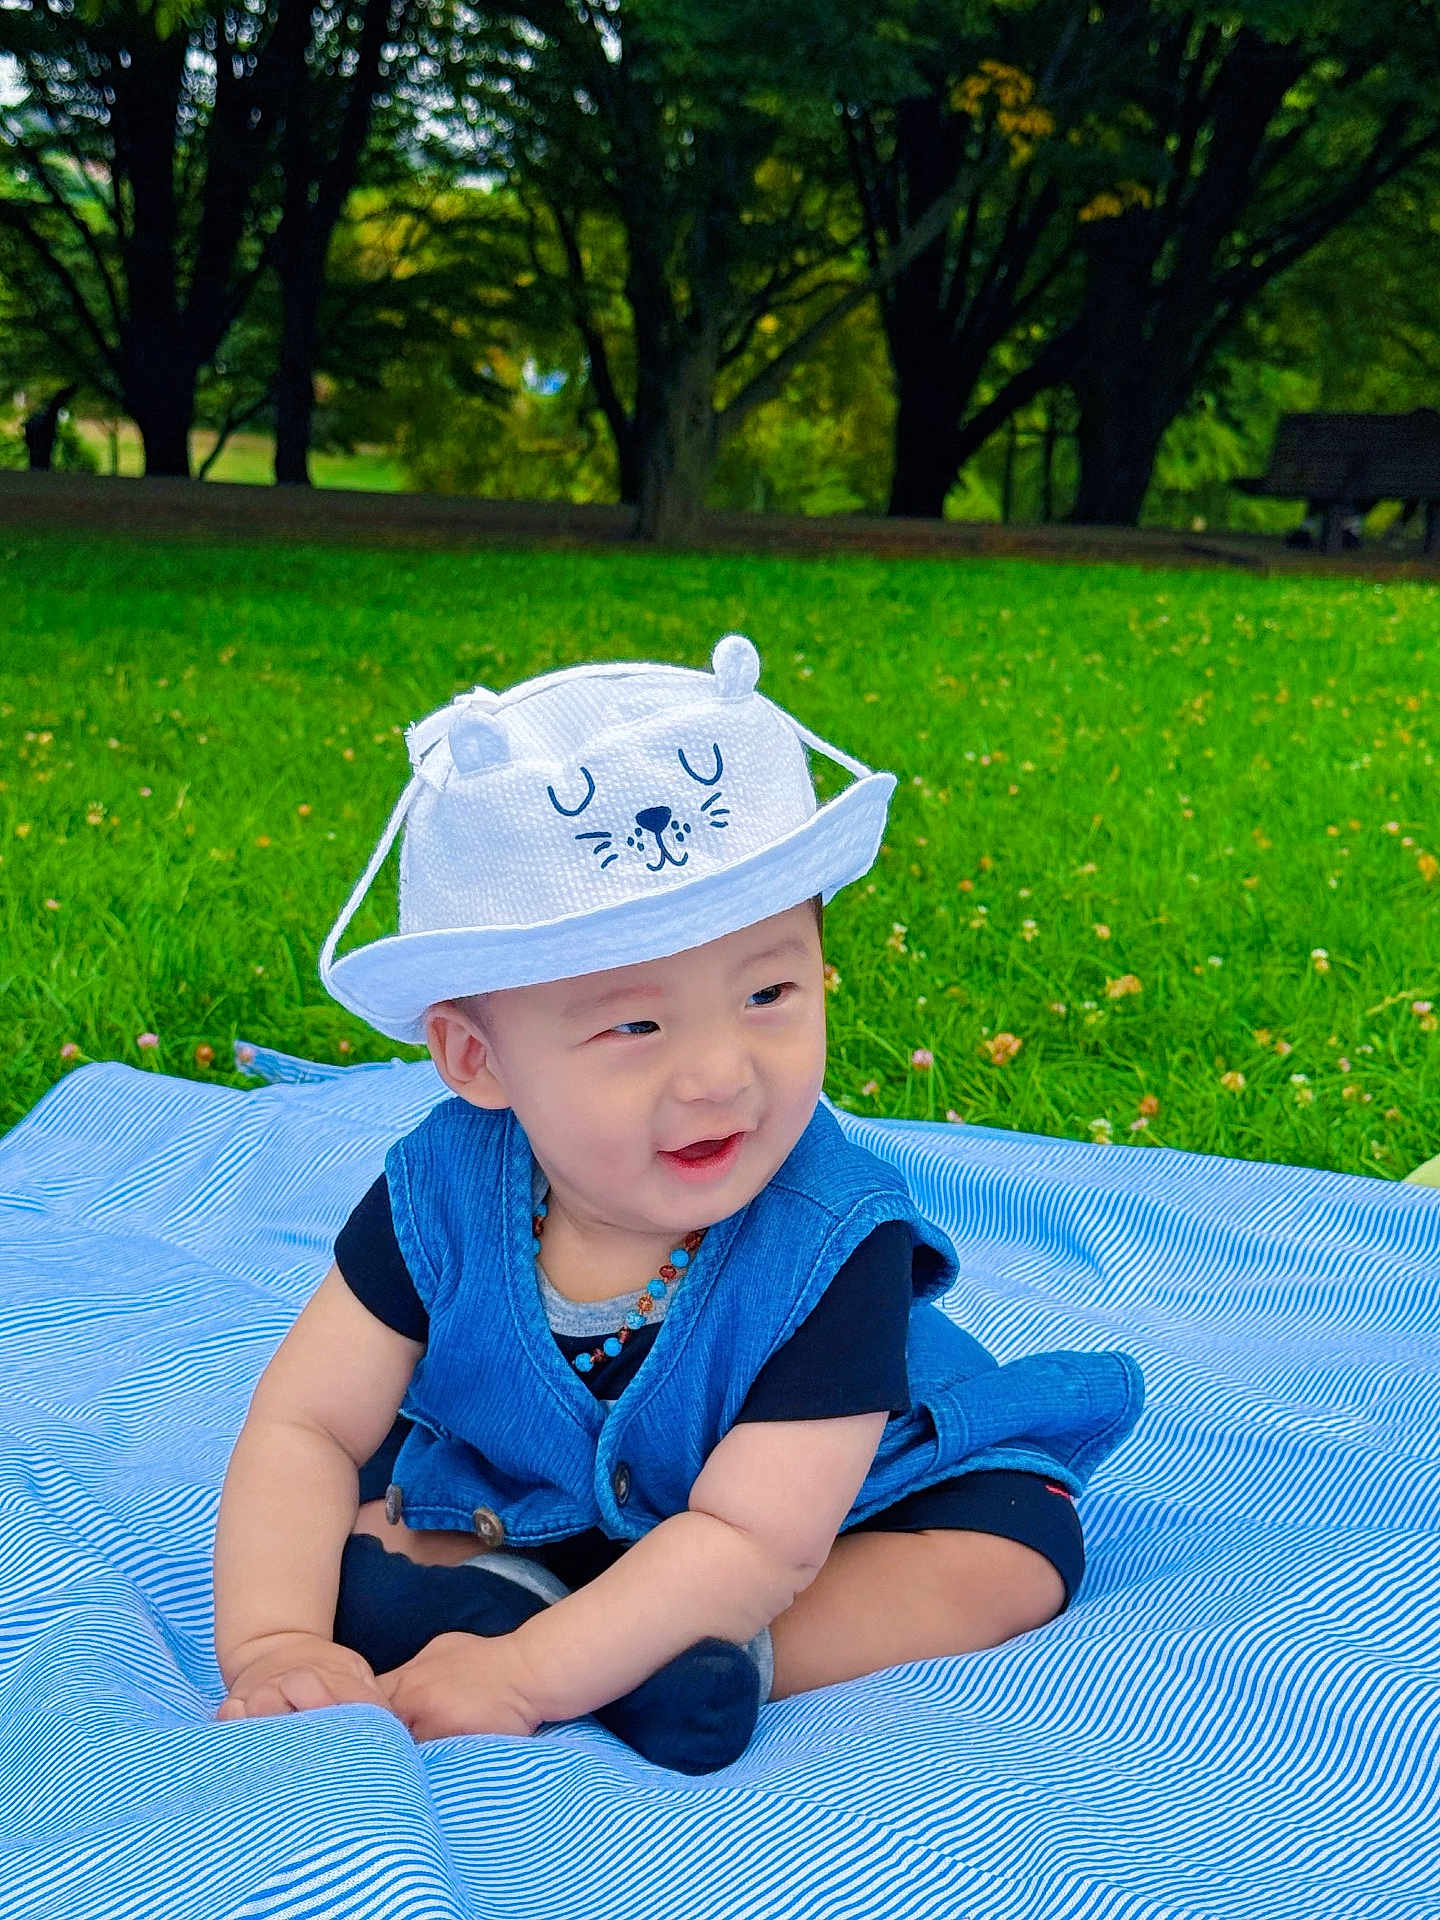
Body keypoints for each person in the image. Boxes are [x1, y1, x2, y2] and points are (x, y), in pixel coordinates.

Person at [210, 633, 1144, 1773]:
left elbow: (761, 1534)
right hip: (540, 1488)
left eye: (769, 992)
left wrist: (523, 1676)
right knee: (363, 1497)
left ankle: (698, 1658)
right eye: (635, 1025)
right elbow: (308, 1421)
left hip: (819, 1521)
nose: (718, 1074)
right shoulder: (437, 1196)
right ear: (477, 1061)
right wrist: (274, 1641)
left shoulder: (835, 1239)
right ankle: (566, 1618)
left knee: (1016, 1551)